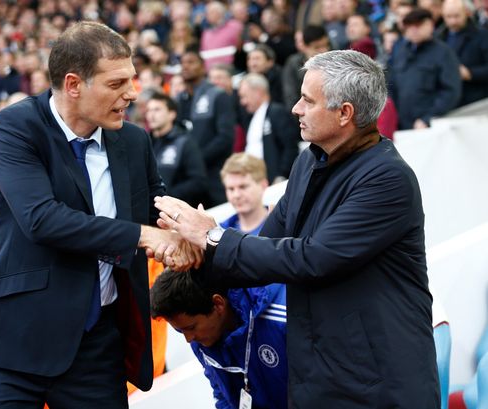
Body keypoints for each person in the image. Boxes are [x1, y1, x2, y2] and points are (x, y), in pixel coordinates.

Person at [155, 50, 440, 408]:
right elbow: (265, 245)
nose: (295, 109)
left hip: (380, 384)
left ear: (344, 113)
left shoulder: (388, 178)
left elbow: (312, 258)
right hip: (321, 377)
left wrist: (214, 237)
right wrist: (192, 253)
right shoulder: (309, 161)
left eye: (307, 100)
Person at [0, 21, 196, 408]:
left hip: (97, 345)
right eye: (116, 83)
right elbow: (41, 219)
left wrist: (187, 227)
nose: (132, 93)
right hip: (15, 344)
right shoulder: (14, 126)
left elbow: (157, 207)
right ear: (73, 85)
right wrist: (144, 236)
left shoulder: (134, 140)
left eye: (132, 80)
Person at [150, 269, 288, 409]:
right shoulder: (201, 341)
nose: (188, 339)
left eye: (191, 328)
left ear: (218, 304)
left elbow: (309, 388)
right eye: (180, 330)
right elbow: (222, 395)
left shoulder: (281, 318)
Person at [175, 47, 235, 207]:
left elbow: (225, 138)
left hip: (215, 176)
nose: (185, 66)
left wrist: (197, 159)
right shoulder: (178, 100)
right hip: (189, 180)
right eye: (182, 63)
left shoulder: (218, 95)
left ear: (203, 67)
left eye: (191, 62)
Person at [388, 7, 461, 129]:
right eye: (409, 26)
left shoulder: (443, 52)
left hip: (430, 125)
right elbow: (391, 85)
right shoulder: (400, 51)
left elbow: (451, 91)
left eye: (418, 25)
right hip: (402, 124)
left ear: (430, 25)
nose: (414, 30)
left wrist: (428, 118)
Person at [145, 91, 208, 207]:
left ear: (172, 114)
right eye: (149, 110)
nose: (151, 115)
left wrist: (167, 196)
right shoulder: (145, 142)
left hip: (176, 211)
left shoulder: (185, 142)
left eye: (157, 110)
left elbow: (198, 181)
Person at [237, 74, 300, 183]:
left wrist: (282, 174)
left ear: (258, 92)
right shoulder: (250, 119)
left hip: (277, 182)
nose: (243, 102)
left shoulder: (277, 112)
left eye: (244, 96)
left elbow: (290, 147)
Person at [436, 0, 488, 107]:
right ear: (442, 15)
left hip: (475, 100)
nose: (453, 21)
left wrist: (470, 73)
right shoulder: (438, 38)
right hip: (447, 101)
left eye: (457, 16)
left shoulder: (482, 36)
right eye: (449, 17)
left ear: (466, 13)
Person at [219, 153, 270, 235]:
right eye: (231, 189)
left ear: (263, 185)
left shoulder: (282, 225)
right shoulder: (221, 232)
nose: (236, 195)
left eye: (243, 187)